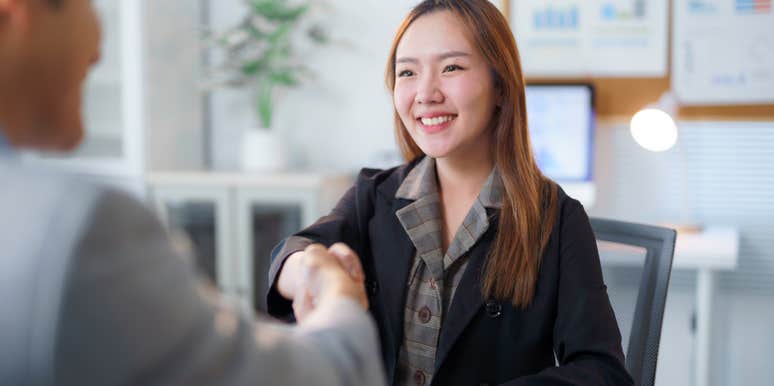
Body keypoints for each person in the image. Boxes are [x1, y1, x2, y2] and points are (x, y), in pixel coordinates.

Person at [0, 1, 385, 385]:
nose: (99, 53)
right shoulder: (77, 228)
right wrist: (339, 297)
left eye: (449, 67)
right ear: (15, 12)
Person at [267, 1, 633, 385]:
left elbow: (603, 372)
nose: (425, 93)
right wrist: (310, 270)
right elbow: (291, 255)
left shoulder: (555, 218)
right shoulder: (375, 195)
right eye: (407, 72)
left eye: (451, 67)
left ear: (500, 87)